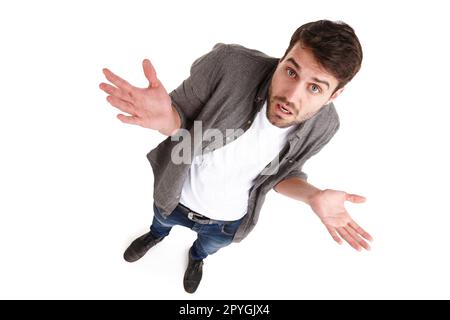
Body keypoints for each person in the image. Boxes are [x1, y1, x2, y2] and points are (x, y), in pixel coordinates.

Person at [99, 19, 373, 294]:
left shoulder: (325, 126)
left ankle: (197, 258)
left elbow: (282, 174)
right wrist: (167, 120)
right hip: (175, 196)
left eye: (315, 88)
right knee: (160, 223)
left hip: (227, 223)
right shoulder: (228, 64)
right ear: (283, 57)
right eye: (291, 71)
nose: (291, 95)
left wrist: (313, 195)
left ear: (334, 95)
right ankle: (156, 236)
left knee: (206, 248)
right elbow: (179, 119)